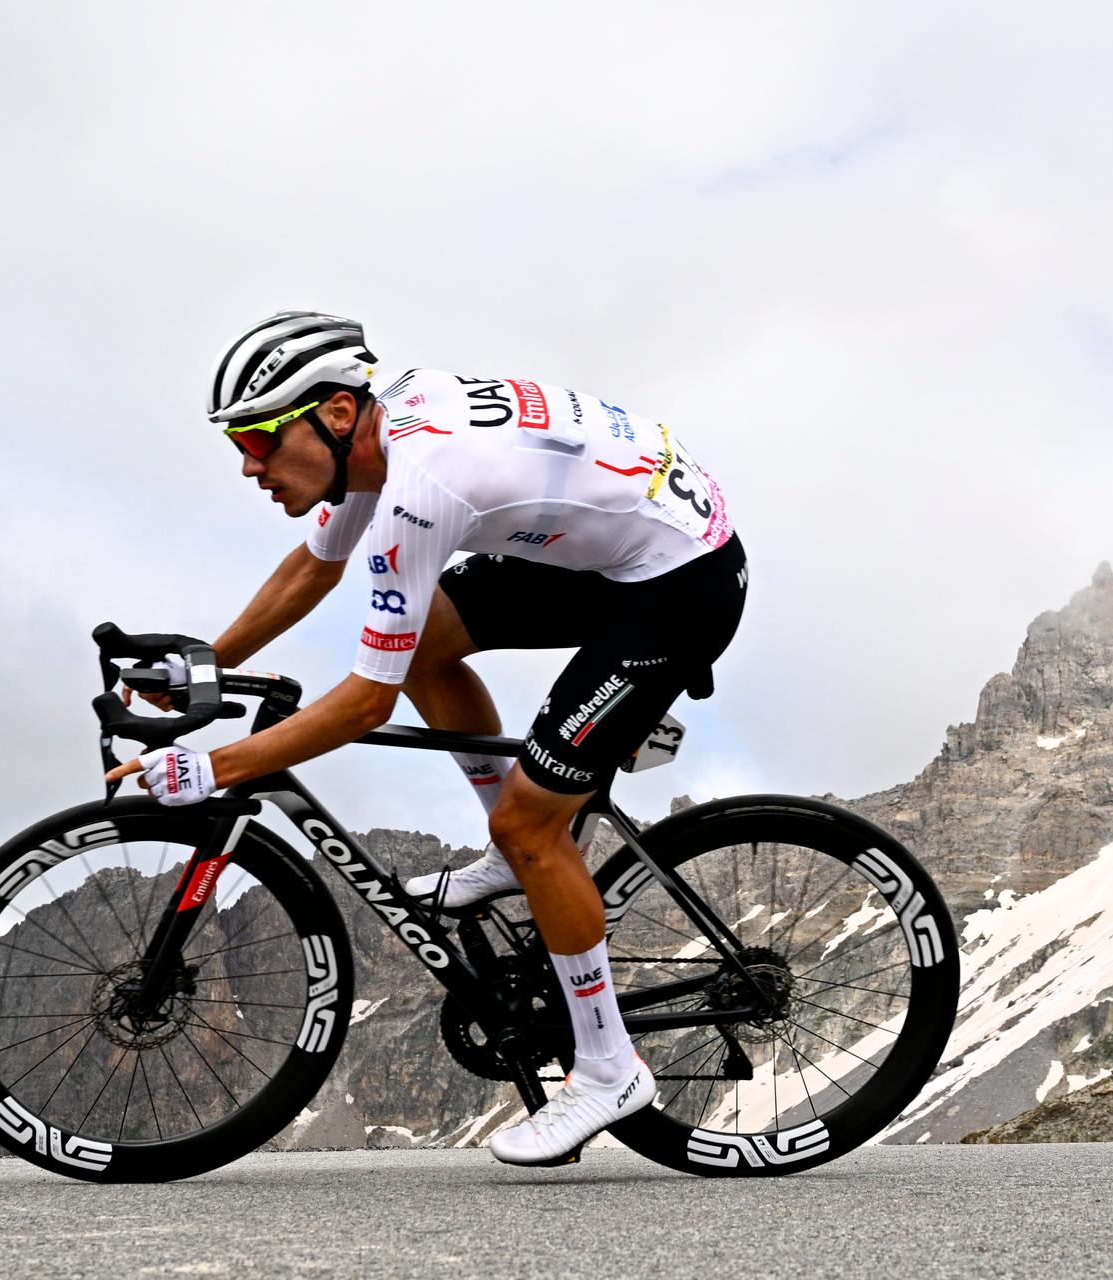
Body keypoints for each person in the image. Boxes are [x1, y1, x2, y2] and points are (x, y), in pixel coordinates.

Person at [106, 310, 748, 1165]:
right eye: (238, 445)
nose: (250, 465)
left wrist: (212, 765)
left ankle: (606, 1067)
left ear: (335, 414)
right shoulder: (374, 443)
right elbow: (315, 565)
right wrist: (204, 664)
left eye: (260, 439)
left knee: (531, 824)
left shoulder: (420, 485)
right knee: (425, 643)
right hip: (618, 544)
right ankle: (513, 854)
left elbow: (366, 702)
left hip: (679, 582)